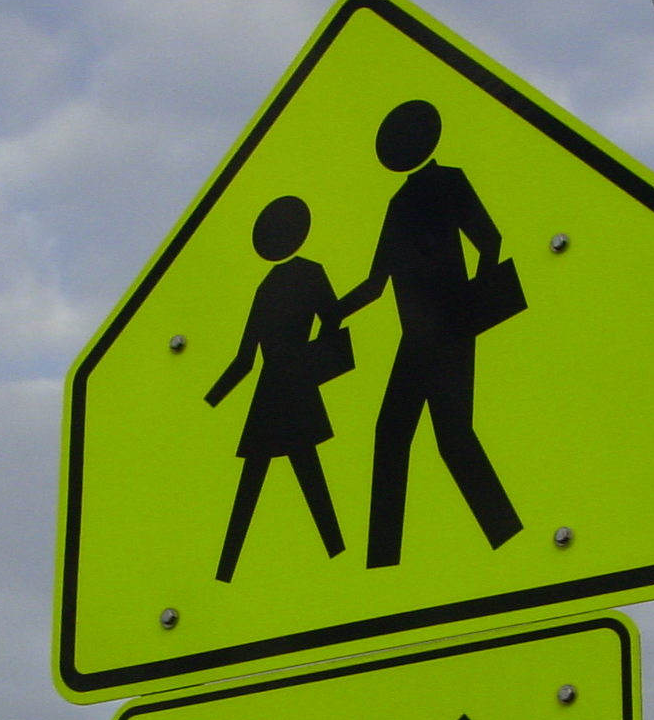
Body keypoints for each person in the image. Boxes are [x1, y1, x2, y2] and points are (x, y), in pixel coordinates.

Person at [339, 98, 524, 569]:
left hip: (448, 329)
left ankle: (507, 538)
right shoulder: (399, 202)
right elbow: (377, 284)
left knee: (445, 435)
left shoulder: (448, 182)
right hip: (419, 336)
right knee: (405, 433)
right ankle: (385, 561)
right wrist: (335, 312)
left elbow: (489, 240)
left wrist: (470, 307)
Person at [205, 194, 351, 584]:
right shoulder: (303, 276)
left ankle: (226, 570)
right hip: (291, 387)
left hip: (274, 392)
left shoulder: (268, 287)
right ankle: (337, 553)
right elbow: (332, 320)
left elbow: (244, 362)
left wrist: (212, 399)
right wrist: (206, 403)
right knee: (301, 474)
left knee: (270, 480)